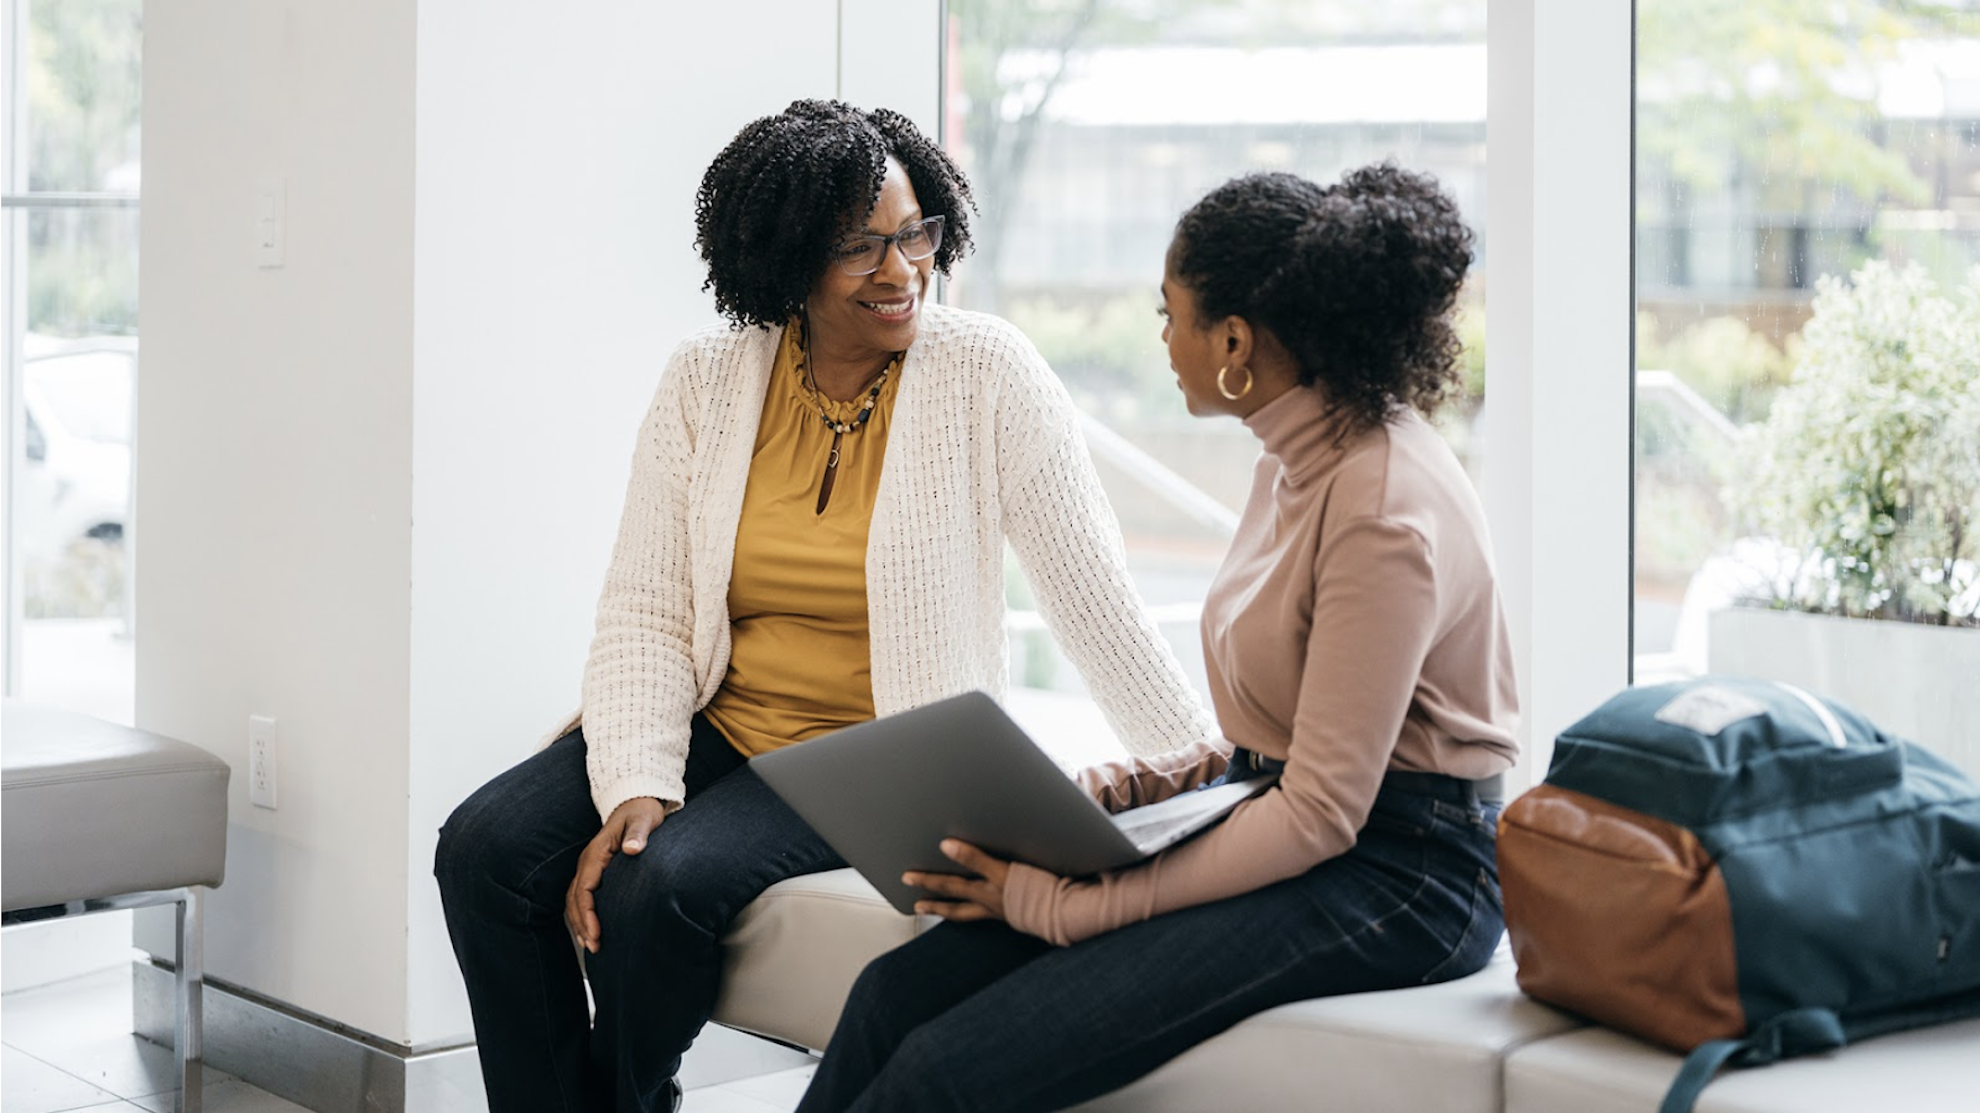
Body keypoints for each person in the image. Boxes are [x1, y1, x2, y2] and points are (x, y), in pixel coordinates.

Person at [431, 99, 1215, 1113]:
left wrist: (1211, 779)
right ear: (787, 257)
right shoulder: (705, 383)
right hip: (722, 717)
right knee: (482, 850)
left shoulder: (986, 374)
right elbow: (645, 609)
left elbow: (1093, 598)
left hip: (869, 749)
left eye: (915, 234)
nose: (903, 271)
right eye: (860, 249)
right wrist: (638, 780)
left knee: (655, 884)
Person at [796, 164, 1521, 1113]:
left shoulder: (1383, 506)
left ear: (1234, 341)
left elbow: (1320, 813)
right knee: (895, 995)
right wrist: (1104, 798)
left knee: (948, 1074)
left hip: (1409, 872)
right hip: (1300, 807)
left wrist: (1068, 905)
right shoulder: (1295, 455)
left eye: (1168, 313)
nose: (1163, 339)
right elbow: (1281, 742)